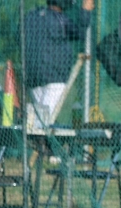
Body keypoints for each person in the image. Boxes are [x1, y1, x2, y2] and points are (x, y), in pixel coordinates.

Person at [24, 0, 94, 128]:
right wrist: (85, 11)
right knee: (42, 124)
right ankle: (39, 138)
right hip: (54, 78)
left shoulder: (32, 15)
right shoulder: (60, 19)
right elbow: (80, 32)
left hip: (33, 79)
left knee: (38, 120)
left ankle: (38, 138)